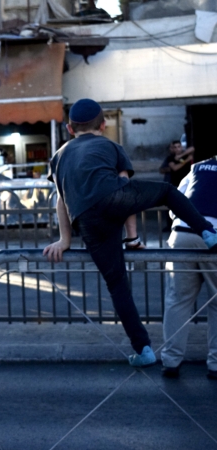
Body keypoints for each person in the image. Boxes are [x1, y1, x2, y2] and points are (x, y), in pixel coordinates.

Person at [43, 98, 217, 368]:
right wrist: (132, 238)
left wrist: (65, 240)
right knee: (167, 192)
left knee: (117, 285)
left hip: (86, 219)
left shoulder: (58, 156)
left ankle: (143, 350)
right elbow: (126, 189)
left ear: (69, 128)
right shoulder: (110, 145)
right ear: (103, 125)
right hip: (114, 198)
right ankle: (207, 233)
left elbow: (61, 200)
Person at [161, 156, 217, 379]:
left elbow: (176, 200)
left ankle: (170, 361)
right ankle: (215, 364)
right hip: (213, 236)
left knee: (178, 299)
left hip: (182, 234)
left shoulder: (198, 167)